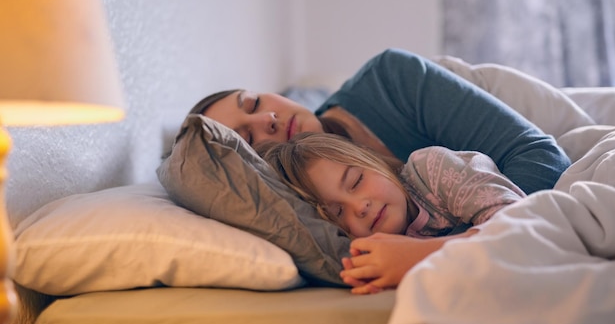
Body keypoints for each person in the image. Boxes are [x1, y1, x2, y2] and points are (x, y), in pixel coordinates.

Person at [189, 48, 571, 194]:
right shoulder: (317, 202)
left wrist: (450, 244)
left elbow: (544, 157)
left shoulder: (391, 78)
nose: (267, 118)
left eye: (253, 102)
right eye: (247, 137)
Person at [260, 132, 526, 294]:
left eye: (355, 181)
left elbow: (519, 225)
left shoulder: (432, 170)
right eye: (338, 214)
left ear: (370, 159)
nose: (360, 207)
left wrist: (419, 254)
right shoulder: (358, 250)